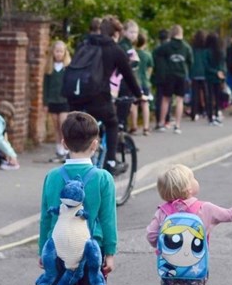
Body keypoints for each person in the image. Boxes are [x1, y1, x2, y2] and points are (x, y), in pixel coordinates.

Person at [38, 112, 117, 285]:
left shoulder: (52, 176)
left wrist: (43, 251)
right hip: (89, 251)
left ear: (63, 141)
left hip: (59, 248)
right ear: (95, 144)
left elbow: (45, 218)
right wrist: (110, 252)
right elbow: (108, 220)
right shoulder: (103, 178)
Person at [67, 16, 142, 176]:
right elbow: (128, 75)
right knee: (112, 123)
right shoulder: (114, 49)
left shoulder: (85, 43)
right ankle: (110, 162)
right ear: (115, 34)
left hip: (75, 96)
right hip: (98, 97)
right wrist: (139, 95)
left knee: (82, 128)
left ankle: (75, 160)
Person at [153, 25, 193, 134]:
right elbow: (190, 61)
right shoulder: (186, 47)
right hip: (181, 75)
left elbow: (156, 53)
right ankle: (177, 125)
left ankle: (161, 123)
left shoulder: (166, 46)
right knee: (180, 100)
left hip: (169, 75)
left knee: (166, 99)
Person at [43, 40, 71, 159]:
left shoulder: (68, 68)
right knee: (55, 126)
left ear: (65, 53)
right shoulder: (49, 68)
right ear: (53, 52)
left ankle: (66, 149)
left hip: (64, 101)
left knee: (62, 125)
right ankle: (59, 149)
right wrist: (45, 103)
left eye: (61, 51)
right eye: (57, 51)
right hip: (52, 100)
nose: (59, 54)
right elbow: (45, 87)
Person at [132, 31, 154, 135]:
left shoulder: (133, 53)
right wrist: (147, 77)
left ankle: (134, 126)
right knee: (145, 104)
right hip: (145, 82)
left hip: (135, 81)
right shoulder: (147, 55)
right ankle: (146, 127)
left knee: (134, 104)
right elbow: (150, 68)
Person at [190, 30, 213, 123]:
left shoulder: (193, 49)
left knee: (195, 94)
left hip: (195, 73)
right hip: (205, 73)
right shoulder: (207, 50)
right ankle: (208, 112)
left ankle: (194, 113)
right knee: (207, 94)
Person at [204, 32, 226, 126]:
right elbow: (223, 65)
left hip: (209, 77)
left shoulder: (206, 52)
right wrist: (221, 72)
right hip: (219, 77)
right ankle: (217, 114)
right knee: (217, 97)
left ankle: (210, 116)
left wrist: (214, 72)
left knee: (209, 97)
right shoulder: (220, 52)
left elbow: (206, 66)